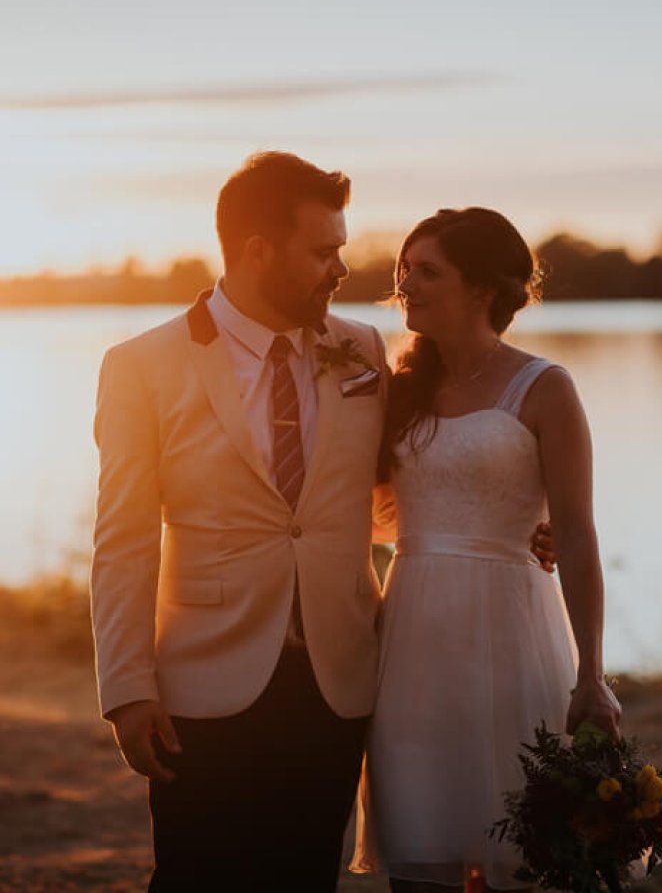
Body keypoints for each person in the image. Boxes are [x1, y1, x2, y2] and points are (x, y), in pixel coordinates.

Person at [90, 151, 390, 891]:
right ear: (258, 251)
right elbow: (123, 538)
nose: (341, 269)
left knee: (306, 876)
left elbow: (403, 485)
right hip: (204, 691)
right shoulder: (142, 365)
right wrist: (127, 689)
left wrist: (514, 530)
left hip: (336, 682)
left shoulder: (363, 350)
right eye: (324, 252)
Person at [351, 207, 621, 892]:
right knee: (420, 851)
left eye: (427, 271)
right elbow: (377, 516)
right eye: (403, 270)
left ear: (483, 289)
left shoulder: (546, 387)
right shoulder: (396, 388)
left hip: (512, 628)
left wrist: (592, 672)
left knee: (526, 855)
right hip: (411, 639)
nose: (405, 283)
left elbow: (580, 532)